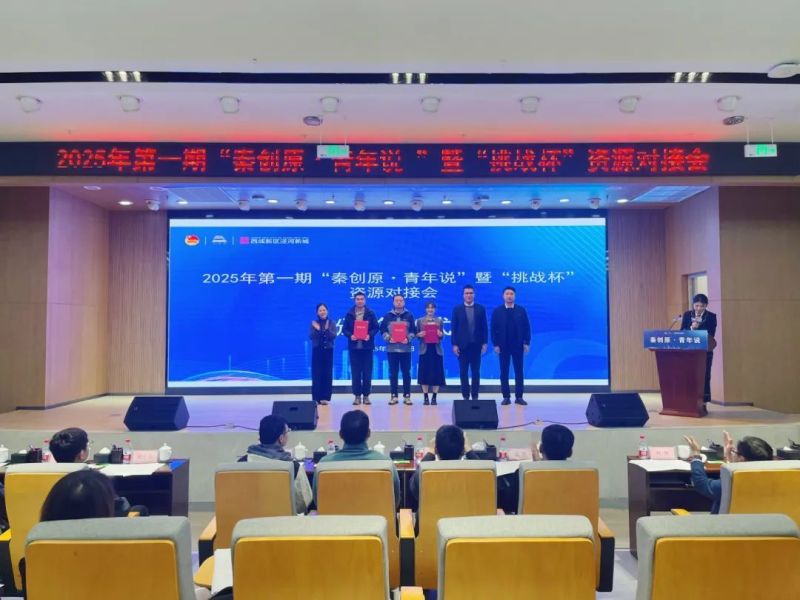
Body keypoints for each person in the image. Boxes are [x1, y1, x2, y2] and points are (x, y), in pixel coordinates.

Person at [49, 427, 145, 517]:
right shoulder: (92, 480)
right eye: (88, 445)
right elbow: (119, 508)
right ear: (81, 454)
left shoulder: (48, 474)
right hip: (96, 525)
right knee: (140, 509)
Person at [314, 410, 400, 505]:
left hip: (334, 515)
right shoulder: (386, 464)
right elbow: (394, 502)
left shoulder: (323, 465)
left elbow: (318, 502)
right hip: (377, 515)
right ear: (369, 433)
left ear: (340, 434)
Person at [683, 431, 773, 514]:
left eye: (735, 452)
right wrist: (729, 458)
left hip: (727, 525)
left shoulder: (733, 484)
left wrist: (696, 454)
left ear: (741, 459)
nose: (734, 454)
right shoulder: (773, 480)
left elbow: (701, 484)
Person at [243, 414, 310, 514]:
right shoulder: (293, 467)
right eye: (287, 431)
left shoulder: (241, 463)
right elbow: (304, 503)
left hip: (247, 521)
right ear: (281, 438)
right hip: (282, 522)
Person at [409, 424, 480, 503]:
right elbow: (484, 476)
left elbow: (414, 487)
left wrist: (431, 452)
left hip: (433, 511)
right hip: (466, 511)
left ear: (436, 450)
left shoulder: (426, 475)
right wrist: (469, 450)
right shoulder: (476, 476)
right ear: (463, 450)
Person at [491, 287, 531, 405]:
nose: (509, 296)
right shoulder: (497, 311)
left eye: (511, 294)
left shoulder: (521, 310)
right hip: (503, 346)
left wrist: (526, 343)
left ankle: (519, 396)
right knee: (504, 372)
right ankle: (506, 396)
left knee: (519, 371)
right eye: (507, 294)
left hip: (518, 345)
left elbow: (526, 327)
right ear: (503, 296)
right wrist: (495, 344)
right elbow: (493, 329)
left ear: (515, 296)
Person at [451, 284, 489, 400]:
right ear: (463, 295)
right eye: (466, 293)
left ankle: (475, 395)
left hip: (476, 345)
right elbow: (454, 328)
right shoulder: (457, 309)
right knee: (463, 372)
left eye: (471, 293)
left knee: (476, 371)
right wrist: (454, 344)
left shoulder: (480, 309)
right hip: (462, 346)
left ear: (474, 295)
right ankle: (465, 395)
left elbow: (484, 327)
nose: (469, 295)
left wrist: (485, 342)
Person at [342, 292, 380, 406]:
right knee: (356, 373)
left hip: (367, 348)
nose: (359, 301)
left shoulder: (370, 313)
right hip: (354, 348)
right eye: (357, 299)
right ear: (354, 300)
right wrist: (350, 335)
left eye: (361, 299)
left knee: (367, 373)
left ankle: (366, 396)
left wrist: (369, 335)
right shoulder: (350, 314)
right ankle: (357, 396)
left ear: (365, 300)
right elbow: (345, 329)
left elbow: (376, 328)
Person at [680, 293, 718, 405]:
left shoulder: (711, 317)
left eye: (702, 306)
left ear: (706, 305)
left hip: (705, 351)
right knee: (689, 375)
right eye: (697, 305)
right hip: (689, 351)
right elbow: (682, 331)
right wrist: (692, 328)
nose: (699, 308)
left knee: (705, 375)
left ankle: (704, 402)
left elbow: (711, 334)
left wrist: (698, 328)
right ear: (693, 305)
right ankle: (688, 399)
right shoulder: (687, 315)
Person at [380, 294, 417, 406]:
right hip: (392, 349)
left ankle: (407, 396)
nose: (399, 302)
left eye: (401, 300)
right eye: (397, 300)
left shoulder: (409, 315)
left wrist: (408, 338)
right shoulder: (387, 316)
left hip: (406, 349)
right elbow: (382, 330)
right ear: (393, 302)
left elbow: (413, 331)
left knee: (406, 373)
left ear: (404, 302)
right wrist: (388, 338)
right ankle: (394, 396)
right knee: (393, 373)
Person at [416, 301, 446, 406]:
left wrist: (441, 334)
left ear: (435, 309)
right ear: (425, 309)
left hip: (436, 350)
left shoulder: (439, 321)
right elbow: (416, 335)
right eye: (428, 308)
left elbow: (442, 336)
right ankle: (425, 397)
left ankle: (434, 397)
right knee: (424, 374)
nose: (430, 310)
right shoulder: (420, 321)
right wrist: (419, 334)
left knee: (437, 374)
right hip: (425, 349)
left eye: (432, 308)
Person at [309, 303, 336, 405]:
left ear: (327, 311)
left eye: (324, 310)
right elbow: (311, 336)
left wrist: (322, 330)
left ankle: (325, 397)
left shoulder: (331, 323)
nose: (322, 312)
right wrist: (319, 330)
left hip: (328, 351)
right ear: (317, 312)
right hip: (317, 351)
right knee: (316, 374)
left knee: (327, 374)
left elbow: (333, 336)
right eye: (320, 310)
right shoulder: (313, 323)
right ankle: (316, 398)